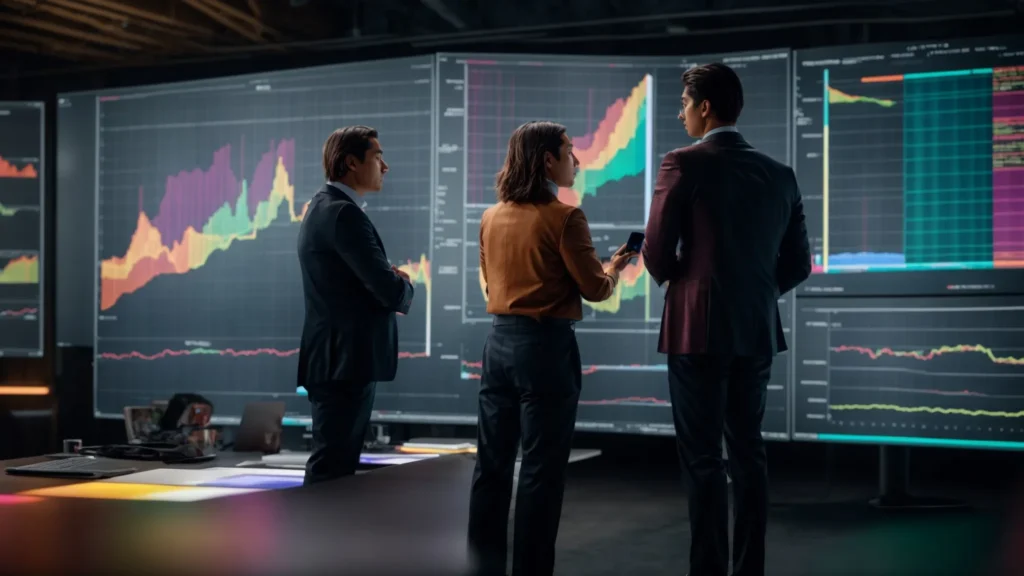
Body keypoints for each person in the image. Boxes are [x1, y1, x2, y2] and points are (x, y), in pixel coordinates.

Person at [643, 63, 812, 576]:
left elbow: (654, 251)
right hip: (755, 329)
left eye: (683, 103)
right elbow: (799, 264)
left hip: (696, 332)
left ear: (705, 107)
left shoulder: (682, 162)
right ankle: (749, 569)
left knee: (702, 459)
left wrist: (685, 284)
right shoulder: (780, 174)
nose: (680, 112)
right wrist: (754, 293)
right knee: (748, 454)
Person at [468, 121, 637, 576]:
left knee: (492, 468)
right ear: (547, 160)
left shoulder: (490, 217)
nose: (576, 161)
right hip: (545, 350)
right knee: (541, 471)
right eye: (568, 152)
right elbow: (596, 290)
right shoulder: (566, 218)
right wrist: (614, 268)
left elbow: (489, 281)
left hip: (498, 345)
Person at [296, 125, 415, 485]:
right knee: (333, 471)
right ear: (351, 162)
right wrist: (403, 283)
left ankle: (319, 540)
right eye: (377, 156)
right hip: (344, 363)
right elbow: (389, 291)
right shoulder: (343, 215)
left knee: (334, 467)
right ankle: (315, 542)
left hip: (337, 361)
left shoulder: (325, 208)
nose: (385, 166)